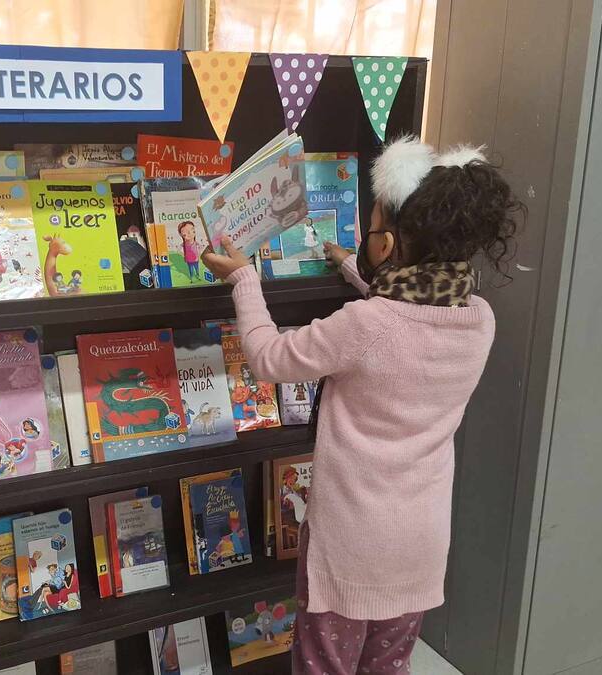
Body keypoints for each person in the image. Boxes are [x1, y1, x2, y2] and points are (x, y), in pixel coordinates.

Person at [201, 137, 520, 675]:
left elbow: (268, 356)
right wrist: (351, 264)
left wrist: (243, 279)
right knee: (387, 668)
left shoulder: (365, 326)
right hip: (420, 543)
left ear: (388, 245)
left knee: (325, 665)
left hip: (350, 545)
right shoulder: (479, 318)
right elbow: (407, 301)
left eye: (370, 231)